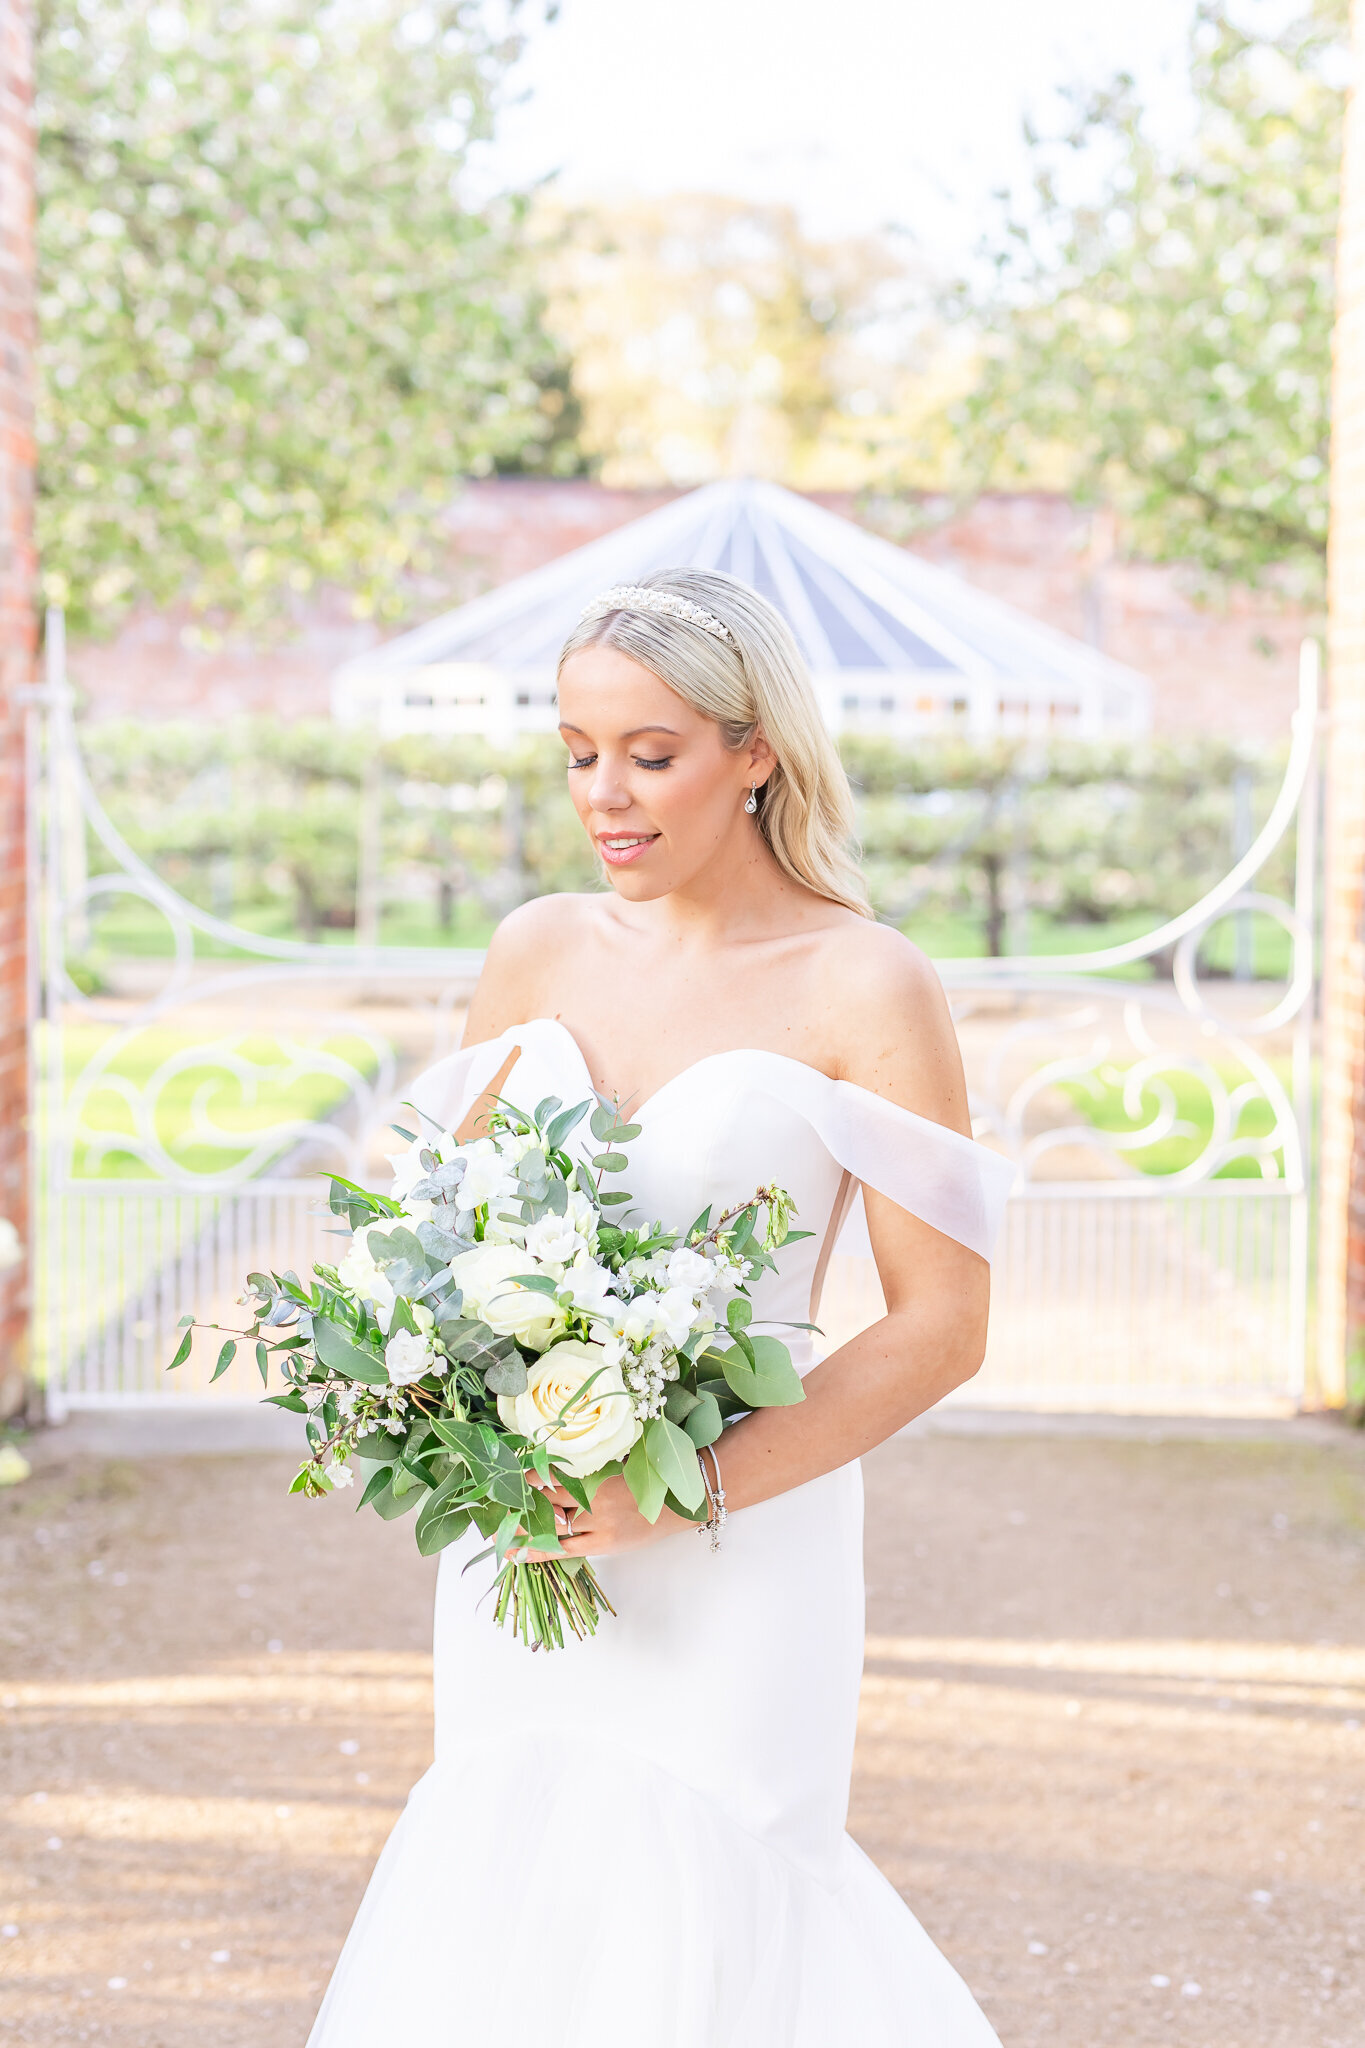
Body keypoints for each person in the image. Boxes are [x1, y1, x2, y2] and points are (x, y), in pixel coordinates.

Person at [307, 569, 1013, 2047]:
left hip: (743, 1548)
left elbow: (941, 1322)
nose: (604, 797)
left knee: (720, 1898)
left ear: (754, 749)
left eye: (651, 753)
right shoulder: (536, 952)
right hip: (528, 1531)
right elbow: (439, 1238)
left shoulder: (863, 980)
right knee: (514, 1878)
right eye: (577, 753)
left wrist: (683, 1494)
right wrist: (446, 1410)